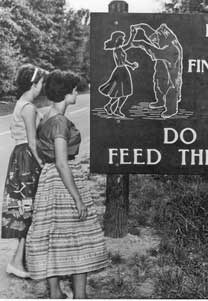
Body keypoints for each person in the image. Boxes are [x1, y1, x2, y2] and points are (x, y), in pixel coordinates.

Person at [26, 70, 108, 299]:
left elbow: (41, 151)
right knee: (78, 236)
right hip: (65, 180)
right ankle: (80, 295)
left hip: (49, 181)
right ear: (65, 92)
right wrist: (78, 198)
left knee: (52, 236)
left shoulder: (46, 116)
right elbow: (62, 163)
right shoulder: (60, 122)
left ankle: (56, 293)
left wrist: (48, 167)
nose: (76, 93)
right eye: (73, 89)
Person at [1, 64, 47, 278]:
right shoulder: (28, 107)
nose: (42, 86)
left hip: (19, 157)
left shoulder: (22, 104)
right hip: (27, 159)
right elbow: (32, 142)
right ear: (34, 84)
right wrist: (43, 164)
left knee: (27, 209)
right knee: (30, 209)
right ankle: (18, 262)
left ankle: (20, 260)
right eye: (41, 82)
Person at [98, 27, 139, 118]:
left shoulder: (120, 48)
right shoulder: (117, 49)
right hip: (120, 71)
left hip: (123, 70)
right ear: (118, 39)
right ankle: (111, 107)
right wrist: (131, 65)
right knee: (120, 92)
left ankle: (115, 108)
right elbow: (122, 61)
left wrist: (133, 34)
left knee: (125, 92)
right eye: (122, 38)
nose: (124, 40)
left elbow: (129, 44)